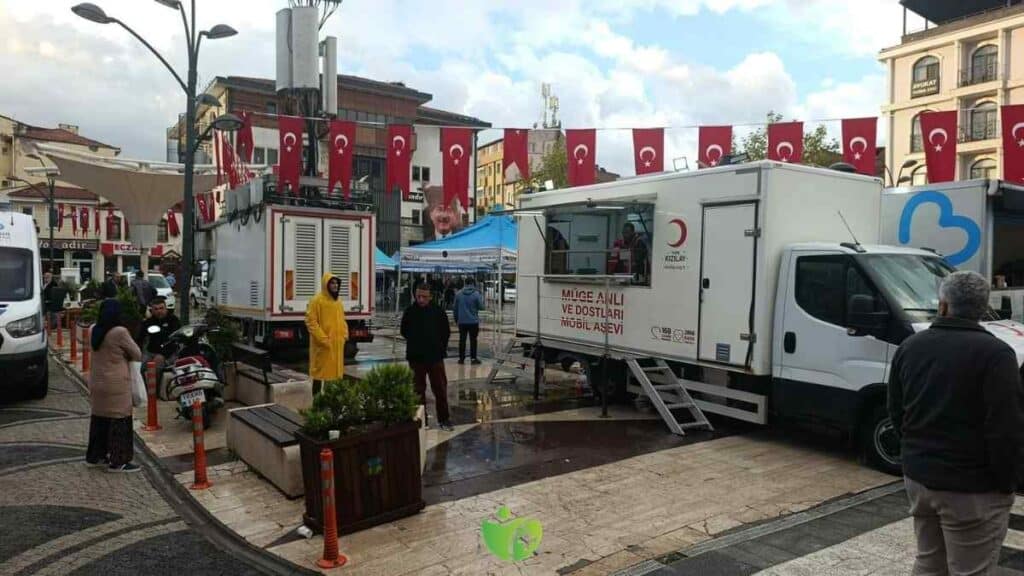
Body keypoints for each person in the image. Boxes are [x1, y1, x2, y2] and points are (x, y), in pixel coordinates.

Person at [888, 271, 1024, 575]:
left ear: (943, 305)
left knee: (929, 562)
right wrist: (1007, 483)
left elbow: (896, 413)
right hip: (973, 489)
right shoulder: (997, 355)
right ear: (982, 308)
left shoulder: (910, 347)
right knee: (970, 570)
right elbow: (1006, 430)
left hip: (920, 479)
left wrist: (915, 456)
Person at [87, 299, 143, 473]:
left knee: (100, 419)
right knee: (120, 420)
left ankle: (97, 456)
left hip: (97, 382)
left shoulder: (93, 329)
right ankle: (119, 461)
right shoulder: (119, 332)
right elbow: (137, 353)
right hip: (116, 385)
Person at [401, 283, 452, 430]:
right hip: (416, 358)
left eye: (424, 297)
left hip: (435, 357)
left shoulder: (438, 312)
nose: (421, 299)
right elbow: (404, 331)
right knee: (417, 390)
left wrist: (440, 346)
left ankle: (444, 419)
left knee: (440, 388)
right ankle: (422, 420)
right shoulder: (410, 311)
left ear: (430, 297)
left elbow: (446, 332)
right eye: (418, 296)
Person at [305, 273, 348, 396]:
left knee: (333, 375)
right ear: (326, 284)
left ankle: (330, 402)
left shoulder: (338, 302)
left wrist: (344, 335)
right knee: (319, 375)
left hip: (337, 345)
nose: (335, 285)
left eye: (336, 283)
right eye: (332, 283)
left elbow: (342, 320)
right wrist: (323, 339)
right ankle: (317, 404)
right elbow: (311, 322)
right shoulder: (316, 301)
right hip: (322, 346)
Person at [139, 297, 181, 393]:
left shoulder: (173, 320)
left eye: (161, 308)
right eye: (156, 309)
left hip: (169, 352)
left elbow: (176, 340)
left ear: (166, 308)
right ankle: (145, 390)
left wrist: (163, 355)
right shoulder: (148, 322)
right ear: (152, 311)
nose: (159, 311)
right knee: (139, 367)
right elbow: (140, 338)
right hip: (151, 351)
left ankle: (154, 391)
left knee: (156, 363)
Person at [453, 277, 485, 365]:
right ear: (473, 283)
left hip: (462, 321)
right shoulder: (476, 294)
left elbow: (455, 308)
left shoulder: (458, 294)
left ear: (465, 283)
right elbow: (482, 307)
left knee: (462, 340)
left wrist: (456, 319)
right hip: (473, 322)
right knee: (473, 340)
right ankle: (473, 358)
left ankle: (461, 359)